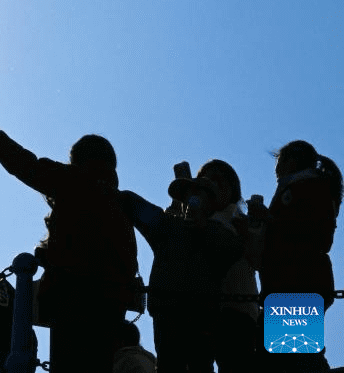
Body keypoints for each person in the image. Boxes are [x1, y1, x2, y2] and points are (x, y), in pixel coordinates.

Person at [0, 102, 138, 373]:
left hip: (74, 298)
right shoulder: (121, 204)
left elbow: (28, 166)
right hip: (111, 304)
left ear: (78, 160)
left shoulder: (75, 180)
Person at [120, 171, 243, 372]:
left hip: (202, 320)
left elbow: (232, 250)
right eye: (188, 195)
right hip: (167, 317)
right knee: (169, 366)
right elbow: (132, 203)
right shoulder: (168, 226)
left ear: (212, 203)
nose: (191, 200)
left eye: (199, 195)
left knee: (200, 367)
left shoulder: (221, 233)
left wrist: (203, 226)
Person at [253, 140, 341, 373]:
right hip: (291, 282)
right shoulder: (306, 186)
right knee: (288, 356)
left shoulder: (307, 187)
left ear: (290, 161)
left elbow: (315, 234)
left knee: (295, 358)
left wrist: (270, 221)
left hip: (297, 281)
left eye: (279, 161)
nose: (276, 168)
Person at [197, 159, 259, 373]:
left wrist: (248, 235)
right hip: (205, 310)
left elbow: (257, 259)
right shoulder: (196, 219)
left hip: (238, 310)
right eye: (207, 181)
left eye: (219, 181)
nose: (213, 186)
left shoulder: (241, 221)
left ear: (232, 189)